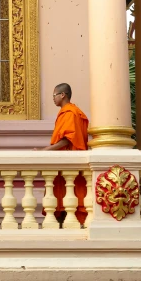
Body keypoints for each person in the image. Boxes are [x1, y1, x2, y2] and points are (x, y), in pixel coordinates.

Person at [42, 83, 89, 224]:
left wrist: (44, 151)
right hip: (67, 162)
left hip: (69, 162)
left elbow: (66, 141)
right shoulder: (72, 112)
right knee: (63, 199)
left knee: (67, 199)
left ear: (62, 95)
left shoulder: (70, 112)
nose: (53, 99)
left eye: (54, 95)